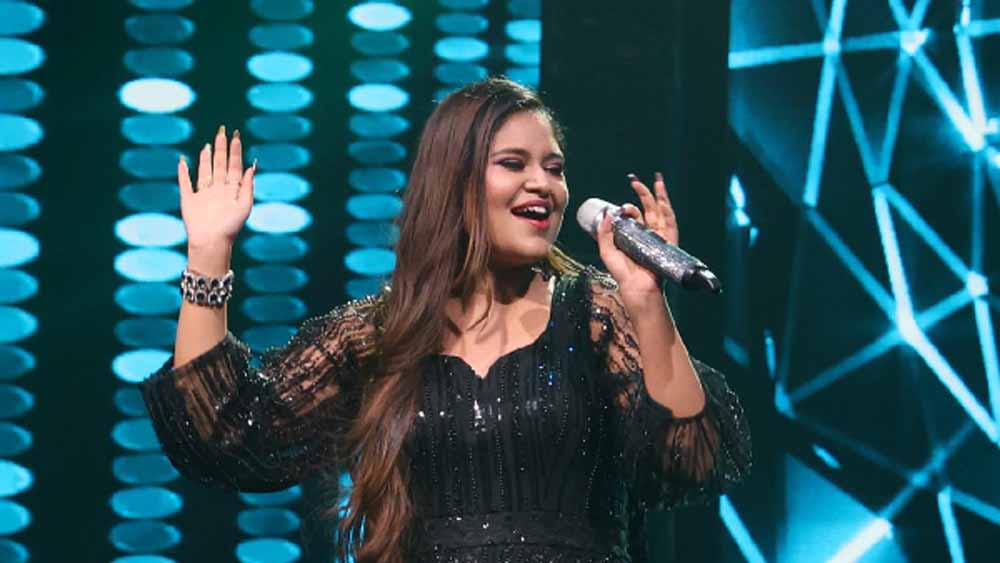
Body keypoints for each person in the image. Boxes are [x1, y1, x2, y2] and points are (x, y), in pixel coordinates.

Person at [139, 77, 752, 563]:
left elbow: (691, 459)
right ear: (454, 181)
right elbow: (224, 430)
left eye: (555, 167)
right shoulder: (379, 337)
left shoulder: (593, 316)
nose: (543, 184)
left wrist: (644, 299)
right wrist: (209, 252)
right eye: (513, 163)